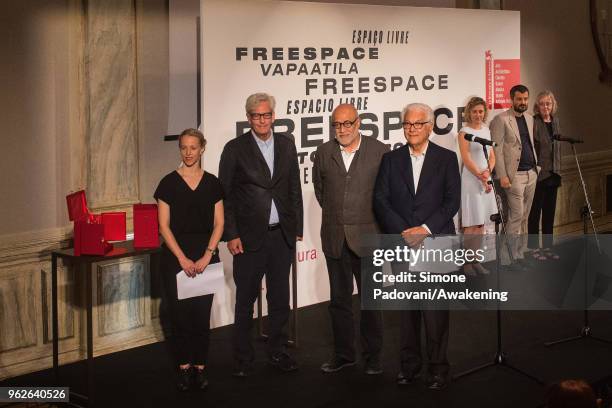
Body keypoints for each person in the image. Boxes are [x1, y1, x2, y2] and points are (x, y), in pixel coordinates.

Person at [374, 103, 461, 390]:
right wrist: (403, 232)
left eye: (416, 124)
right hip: (402, 244)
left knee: (435, 312)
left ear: (429, 126)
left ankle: (438, 369)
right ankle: (409, 367)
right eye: (407, 124)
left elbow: (452, 202)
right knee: (408, 312)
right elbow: (381, 201)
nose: (411, 129)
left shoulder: (447, 159)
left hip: (435, 241)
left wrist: (424, 230)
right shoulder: (391, 159)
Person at [219, 92, 303, 377]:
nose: (262, 120)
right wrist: (231, 234)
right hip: (248, 238)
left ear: (274, 116)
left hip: (281, 236)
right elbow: (225, 195)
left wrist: (297, 228)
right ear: (248, 118)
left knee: (280, 298)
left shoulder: (286, 144)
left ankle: (278, 352)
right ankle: (243, 359)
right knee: (245, 300)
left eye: (267, 115)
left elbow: (293, 188)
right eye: (257, 116)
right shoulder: (234, 149)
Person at [312, 104, 388, 375]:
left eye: (347, 123)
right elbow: (321, 192)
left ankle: (373, 356)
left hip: (368, 238)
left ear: (358, 123)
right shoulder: (323, 153)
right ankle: (344, 354)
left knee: (371, 301)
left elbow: (384, 195)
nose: (342, 129)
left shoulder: (380, 151)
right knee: (339, 301)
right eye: (337, 125)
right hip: (334, 237)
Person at [154, 128, 224, 391]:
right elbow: (163, 226)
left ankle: (200, 368)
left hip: (206, 256)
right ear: (180, 149)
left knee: (201, 317)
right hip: (175, 258)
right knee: (180, 317)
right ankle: (184, 368)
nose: (188, 152)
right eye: (184, 147)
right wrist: (182, 258)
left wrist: (207, 254)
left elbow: (219, 223)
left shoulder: (213, 183)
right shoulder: (167, 183)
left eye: (193, 147)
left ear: (202, 148)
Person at [490, 84, 539, 263]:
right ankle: (506, 257)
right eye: (519, 99)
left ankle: (519, 253)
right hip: (513, 176)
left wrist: (536, 168)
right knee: (515, 216)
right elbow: (497, 150)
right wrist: (502, 175)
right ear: (512, 99)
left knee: (525, 216)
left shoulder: (530, 118)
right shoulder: (501, 119)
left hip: (531, 173)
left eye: (525, 99)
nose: (523, 102)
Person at [458, 96, 497, 275]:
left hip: (485, 177)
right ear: (469, 113)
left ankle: (476, 260)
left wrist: (488, 172)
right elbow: (466, 158)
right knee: (471, 224)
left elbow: (492, 155)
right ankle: (467, 263)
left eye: (481, 111)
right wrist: (481, 176)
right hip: (471, 180)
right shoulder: (464, 132)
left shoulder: (487, 130)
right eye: (474, 111)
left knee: (481, 224)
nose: (478, 115)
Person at [528, 90, 562, 260]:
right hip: (540, 174)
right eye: (542, 103)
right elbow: (532, 147)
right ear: (537, 106)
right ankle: (534, 248)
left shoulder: (555, 121)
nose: (545, 107)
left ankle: (548, 247)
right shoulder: (534, 122)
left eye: (548, 103)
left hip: (554, 173)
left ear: (552, 105)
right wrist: (537, 168)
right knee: (535, 213)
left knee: (549, 213)